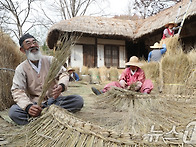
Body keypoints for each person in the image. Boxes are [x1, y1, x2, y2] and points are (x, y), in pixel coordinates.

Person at [9, 33, 84, 125]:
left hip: (55, 102)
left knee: (78, 100)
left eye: (34, 42)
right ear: (22, 50)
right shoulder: (21, 68)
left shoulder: (50, 60)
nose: (33, 45)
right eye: (28, 43)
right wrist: (28, 107)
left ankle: (42, 119)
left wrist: (61, 86)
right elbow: (17, 91)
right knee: (13, 112)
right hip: (36, 105)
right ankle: (46, 119)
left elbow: (63, 73)